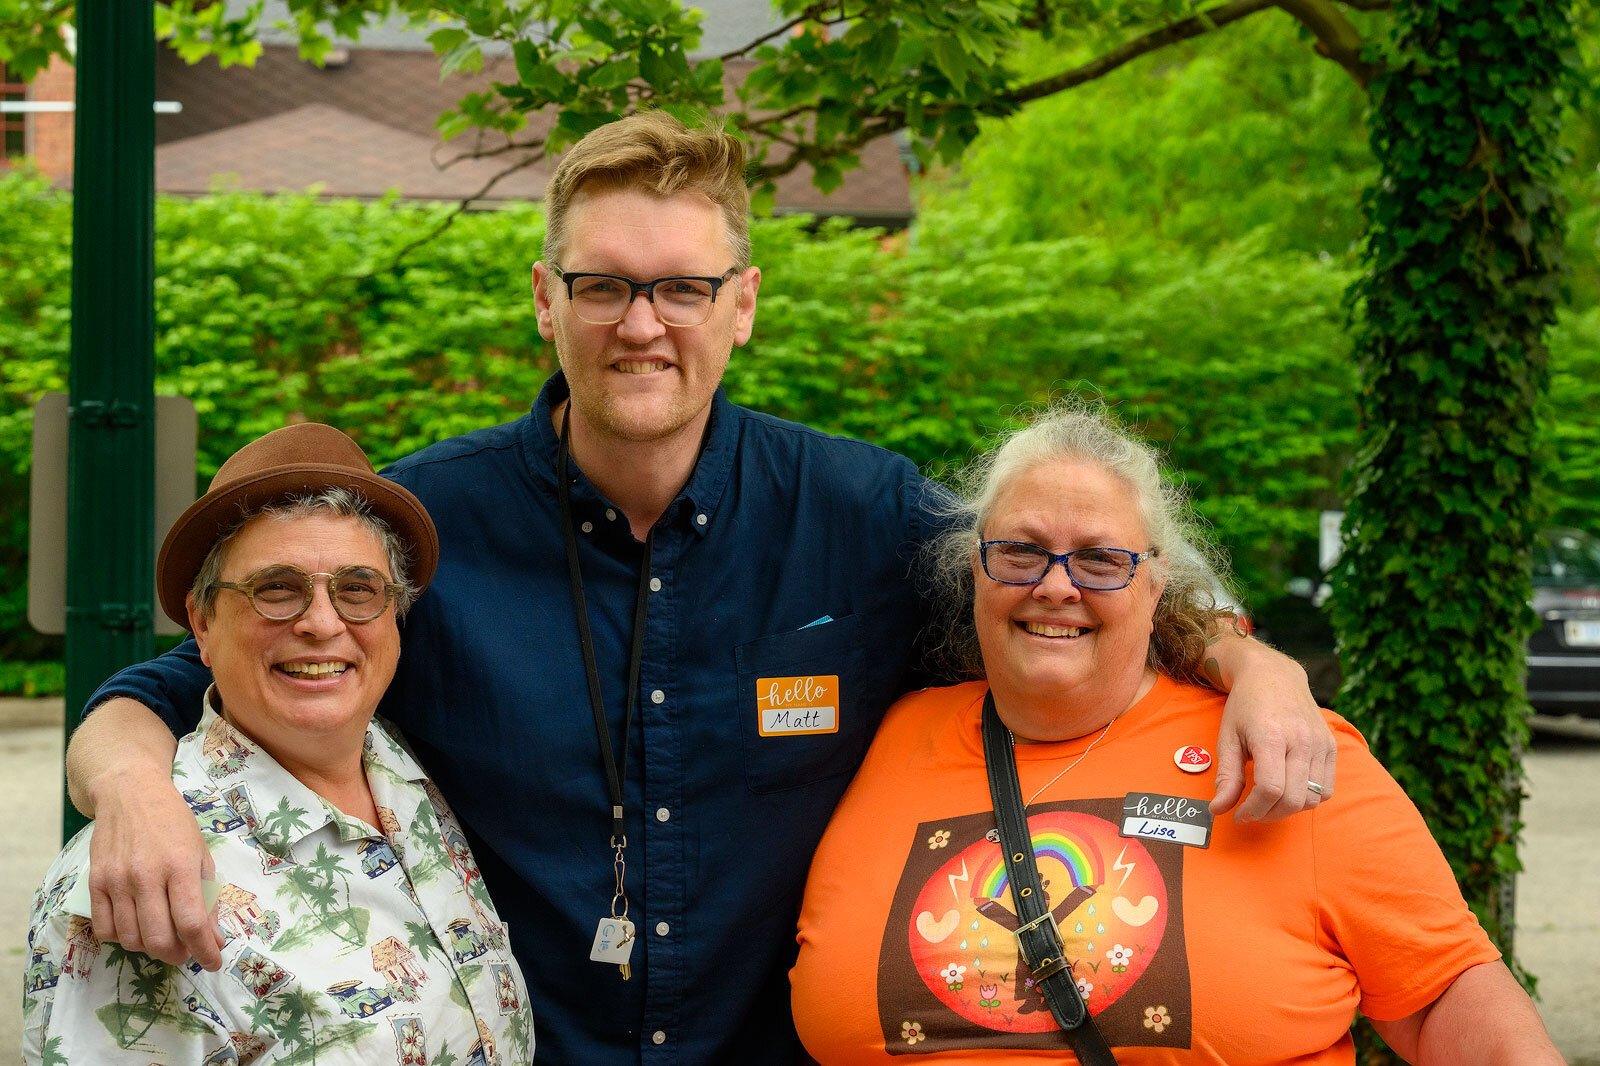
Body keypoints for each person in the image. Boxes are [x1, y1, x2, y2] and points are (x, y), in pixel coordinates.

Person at [68, 112, 1336, 1064]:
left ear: (741, 308)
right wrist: (130, 793)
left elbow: (1069, 583)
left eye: (681, 287)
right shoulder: (423, 522)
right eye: (605, 284)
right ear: (544, 303)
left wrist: (1252, 661)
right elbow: (178, 680)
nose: (641, 324)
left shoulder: (861, 511)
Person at [791, 404, 1562, 1065]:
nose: (1056, 584)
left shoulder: (1282, 751)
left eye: (1100, 559)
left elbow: (1443, 998)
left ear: (1156, 584)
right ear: (976, 568)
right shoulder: (886, 738)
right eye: (1021, 550)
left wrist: (1253, 663)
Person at [25, 423, 533, 1064]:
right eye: (276, 590)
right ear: (203, 625)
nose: (322, 623)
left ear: (395, 616)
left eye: (357, 589)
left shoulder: (403, 771)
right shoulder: (139, 876)